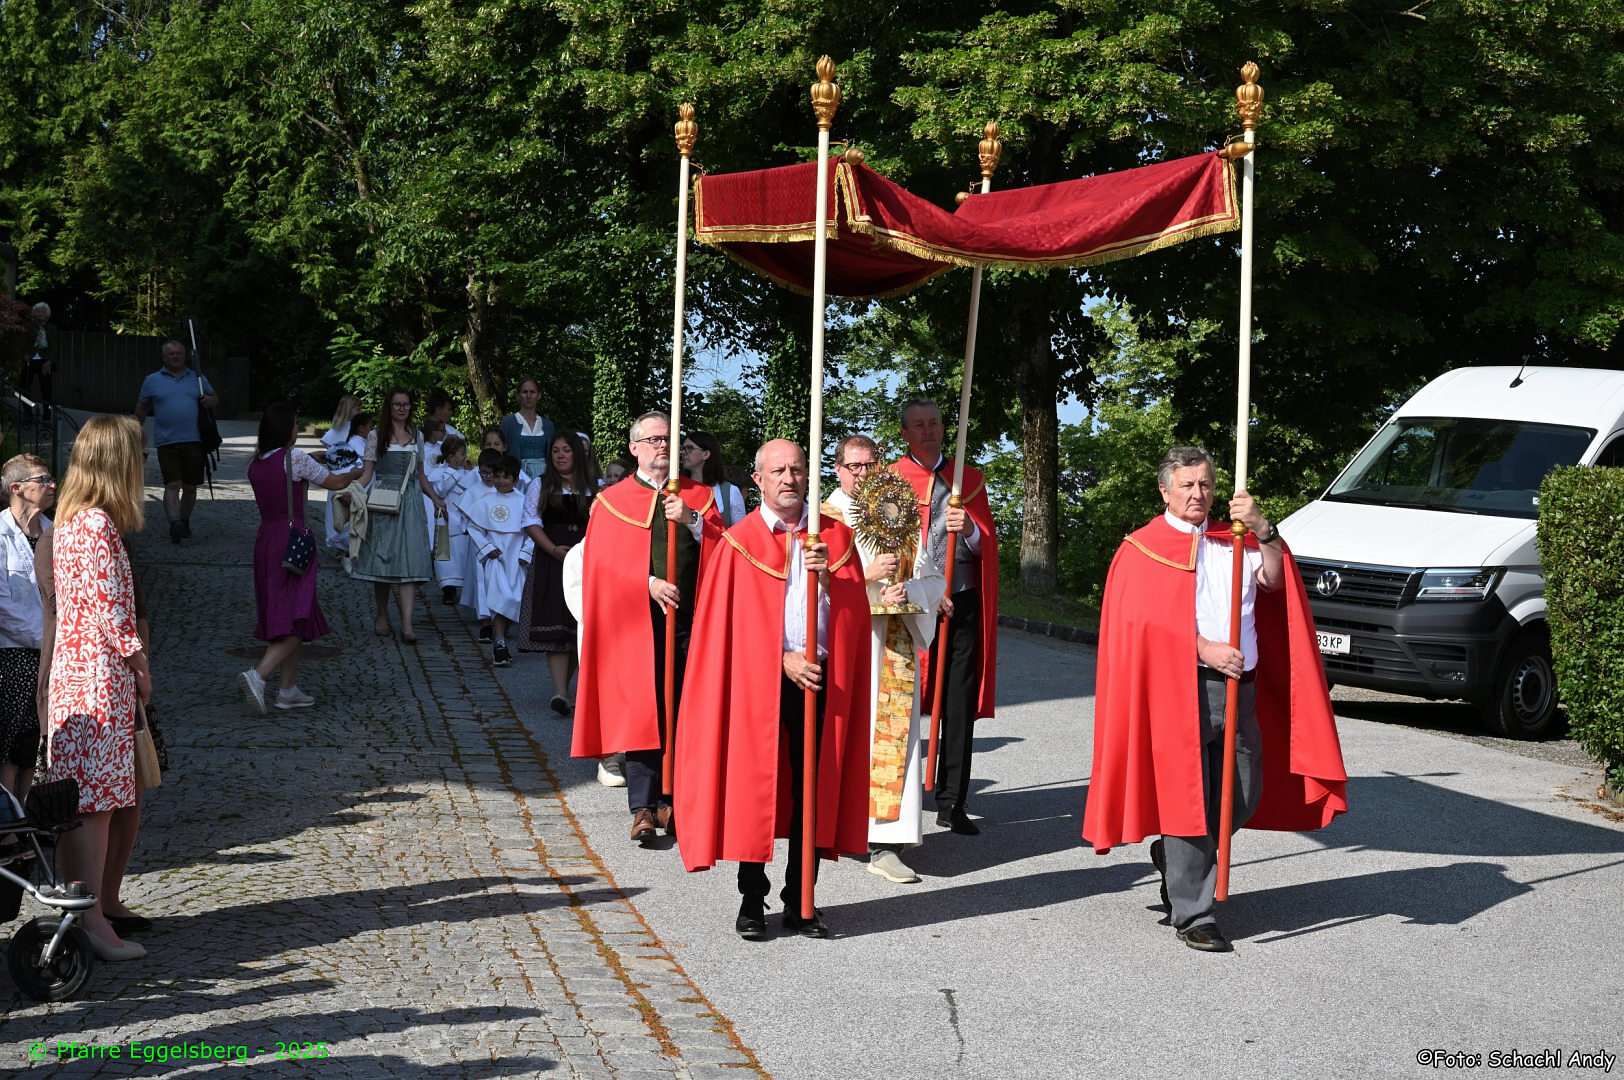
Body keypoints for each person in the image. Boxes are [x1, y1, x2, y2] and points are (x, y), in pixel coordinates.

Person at [1082, 446, 1349, 953]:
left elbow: (1275, 582)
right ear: (1165, 490)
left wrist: (1265, 530)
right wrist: (1203, 647)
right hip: (1179, 686)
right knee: (1188, 797)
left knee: (1243, 793)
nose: (1197, 494)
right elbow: (1140, 624)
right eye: (1186, 485)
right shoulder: (1143, 548)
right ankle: (1194, 914)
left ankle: (1174, 858)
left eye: (1204, 484)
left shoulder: (1237, 539)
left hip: (1241, 687)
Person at [674, 439, 872, 940]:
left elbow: (854, 615)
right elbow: (727, 629)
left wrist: (829, 579)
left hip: (821, 678)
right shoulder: (738, 542)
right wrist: (782, 658)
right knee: (754, 785)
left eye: (797, 469)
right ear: (758, 480)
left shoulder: (835, 538)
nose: (789, 478)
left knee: (812, 790)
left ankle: (801, 899)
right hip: (757, 680)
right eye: (778, 471)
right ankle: (751, 898)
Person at [573, 411, 722, 844]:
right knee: (643, 711)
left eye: (668, 439)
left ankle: (673, 799)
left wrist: (692, 520)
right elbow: (599, 566)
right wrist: (649, 582)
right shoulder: (611, 501)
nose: (662, 446)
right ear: (634, 448)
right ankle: (642, 805)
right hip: (634, 622)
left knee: (683, 708)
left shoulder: (699, 496)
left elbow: (724, 552)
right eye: (654, 439)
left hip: (690, 619)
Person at [45, 414, 151, 961]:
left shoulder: (69, 520)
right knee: (97, 804)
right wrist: (141, 666)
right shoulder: (98, 525)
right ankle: (91, 922)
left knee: (80, 801)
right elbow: (113, 613)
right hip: (98, 677)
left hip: (74, 673)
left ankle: (80, 913)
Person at [825, 435, 944, 884]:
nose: (863, 474)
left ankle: (886, 841)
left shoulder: (900, 514)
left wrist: (907, 591)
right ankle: (837, 826)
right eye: (854, 466)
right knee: (849, 735)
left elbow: (934, 580)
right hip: (848, 646)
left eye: (870, 465)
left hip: (892, 646)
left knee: (892, 739)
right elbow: (809, 588)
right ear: (838, 470)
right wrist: (865, 577)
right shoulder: (826, 518)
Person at [890, 399, 999, 835]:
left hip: (963, 600)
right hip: (911, 605)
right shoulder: (890, 481)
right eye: (919, 425)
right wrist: (927, 592)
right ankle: (896, 799)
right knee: (900, 698)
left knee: (957, 702)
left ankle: (953, 799)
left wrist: (969, 529)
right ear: (905, 434)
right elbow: (884, 545)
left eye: (934, 423)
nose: (928, 430)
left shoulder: (968, 481)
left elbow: (987, 544)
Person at [238, 404, 360, 714]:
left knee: (285, 611)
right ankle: (259, 675)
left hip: (267, 539)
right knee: (299, 614)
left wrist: (311, 459)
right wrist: (357, 472)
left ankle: (288, 689)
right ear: (286, 429)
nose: (296, 429)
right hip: (293, 540)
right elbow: (335, 482)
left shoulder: (256, 463)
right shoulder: (294, 458)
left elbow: (288, 473)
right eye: (294, 425)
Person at [352, 388, 444, 644]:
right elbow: (367, 473)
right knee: (383, 557)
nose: (402, 408)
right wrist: (352, 491)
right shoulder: (376, 435)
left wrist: (435, 498)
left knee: (410, 559)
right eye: (397, 404)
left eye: (405, 404)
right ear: (389, 407)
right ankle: (382, 614)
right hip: (383, 500)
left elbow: (421, 476)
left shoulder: (417, 436)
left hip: (411, 501)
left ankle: (407, 623)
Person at [519, 431, 597, 712]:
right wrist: (553, 550)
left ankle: (566, 687)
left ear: (578, 453)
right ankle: (561, 692)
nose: (560, 455)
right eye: (555, 451)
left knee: (579, 624)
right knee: (555, 626)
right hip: (552, 559)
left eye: (566, 450)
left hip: (587, 559)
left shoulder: (595, 487)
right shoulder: (540, 485)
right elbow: (531, 522)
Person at [0, 454, 53, 800]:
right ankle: (7, 819)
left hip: (51, 654)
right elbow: (3, 606)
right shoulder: (0, 534)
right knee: (10, 745)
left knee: (36, 742)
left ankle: (28, 816)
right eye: (42, 479)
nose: (51, 485)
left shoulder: (55, 531)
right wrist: (45, 639)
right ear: (17, 488)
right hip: (13, 656)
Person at [134, 338, 217, 544]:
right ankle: (174, 523)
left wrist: (210, 400)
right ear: (164, 357)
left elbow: (214, 397)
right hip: (166, 442)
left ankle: (184, 521)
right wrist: (135, 432)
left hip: (195, 440)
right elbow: (142, 407)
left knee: (190, 487)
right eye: (171, 354)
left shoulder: (197, 378)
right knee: (172, 484)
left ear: (185, 356)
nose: (175, 356)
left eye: (178, 353)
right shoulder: (152, 380)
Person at [462, 454, 532, 667]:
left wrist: (525, 553)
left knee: (514, 599)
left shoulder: (524, 502)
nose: (500, 481)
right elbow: (474, 528)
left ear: (516, 479)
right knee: (498, 597)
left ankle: (502, 635)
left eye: (506, 477)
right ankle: (499, 644)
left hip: (516, 560)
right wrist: (487, 548)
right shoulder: (486, 501)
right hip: (495, 559)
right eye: (497, 476)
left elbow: (532, 532)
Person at [428, 435, 473, 604]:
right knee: (445, 558)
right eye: (462, 454)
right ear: (451, 456)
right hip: (445, 520)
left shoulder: (466, 473)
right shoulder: (440, 473)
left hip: (462, 519)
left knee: (463, 554)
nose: (464, 457)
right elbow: (441, 491)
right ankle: (448, 589)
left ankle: (467, 587)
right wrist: (452, 471)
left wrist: (470, 472)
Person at [322, 394, 365, 552]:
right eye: (357, 409)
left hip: (357, 477)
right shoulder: (336, 432)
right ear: (348, 409)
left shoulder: (358, 430)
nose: (360, 412)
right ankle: (340, 545)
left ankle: (350, 546)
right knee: (337, 512)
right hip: (339, 478)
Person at [681, 431, 747, 527]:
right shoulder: (677, 489)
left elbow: (739, 532)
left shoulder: (730, 492)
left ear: (706, 454)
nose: (683, 452)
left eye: (689, 448)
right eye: (683, 448)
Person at [500, 377, 554, 480]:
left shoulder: (548, 425)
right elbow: (501, 452)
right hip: (517, 475)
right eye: (525, 392)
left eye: (532, 392)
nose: (529, 396)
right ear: (518, 395)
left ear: (539, 395)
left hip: (544, 475)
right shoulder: (508, 423)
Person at [23, 302, 54, 406]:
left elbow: (55, 347)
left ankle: (47, 414)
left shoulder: (52, 328)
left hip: (45, 361)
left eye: (42, 312)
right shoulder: (29, 327)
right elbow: (23, 342)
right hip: (30, 360)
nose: (40, 314)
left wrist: (49, 361)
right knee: (24, 386)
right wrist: (24, 354)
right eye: (37, 312)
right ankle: (27, 412)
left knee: (46, 389)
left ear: (47, 314)